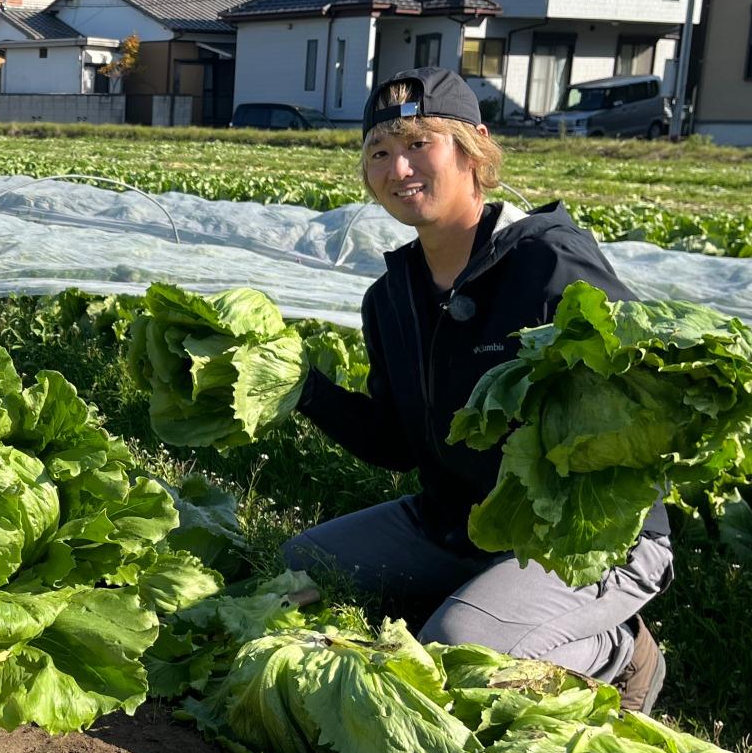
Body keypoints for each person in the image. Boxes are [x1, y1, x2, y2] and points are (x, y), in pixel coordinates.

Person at [285, 67, 671, 712]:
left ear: (472, 150)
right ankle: (485, 599)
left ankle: (620, 651)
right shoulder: (391, 298)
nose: (397, 167)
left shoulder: (548, 264)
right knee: (304, 567)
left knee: (456, 651)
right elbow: (395, 445)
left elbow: (641, 402)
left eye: (418, 144)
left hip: (586, 538)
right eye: (379, 152)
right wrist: (304, 390)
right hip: (463, 523)